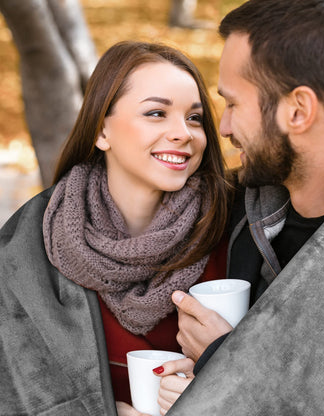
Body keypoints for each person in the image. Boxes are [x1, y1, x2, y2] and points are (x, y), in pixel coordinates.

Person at [167, 0, 324, 413]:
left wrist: (225, 361)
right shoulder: (238, 209)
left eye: (232, 104)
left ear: (298, 111)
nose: (223, 127)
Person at [0, 40, 229, 415]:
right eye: (157, 113)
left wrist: (217, 376)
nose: (183, 133)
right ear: (101, 132)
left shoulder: (234, 231)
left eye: (194, 117)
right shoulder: (26, 248)